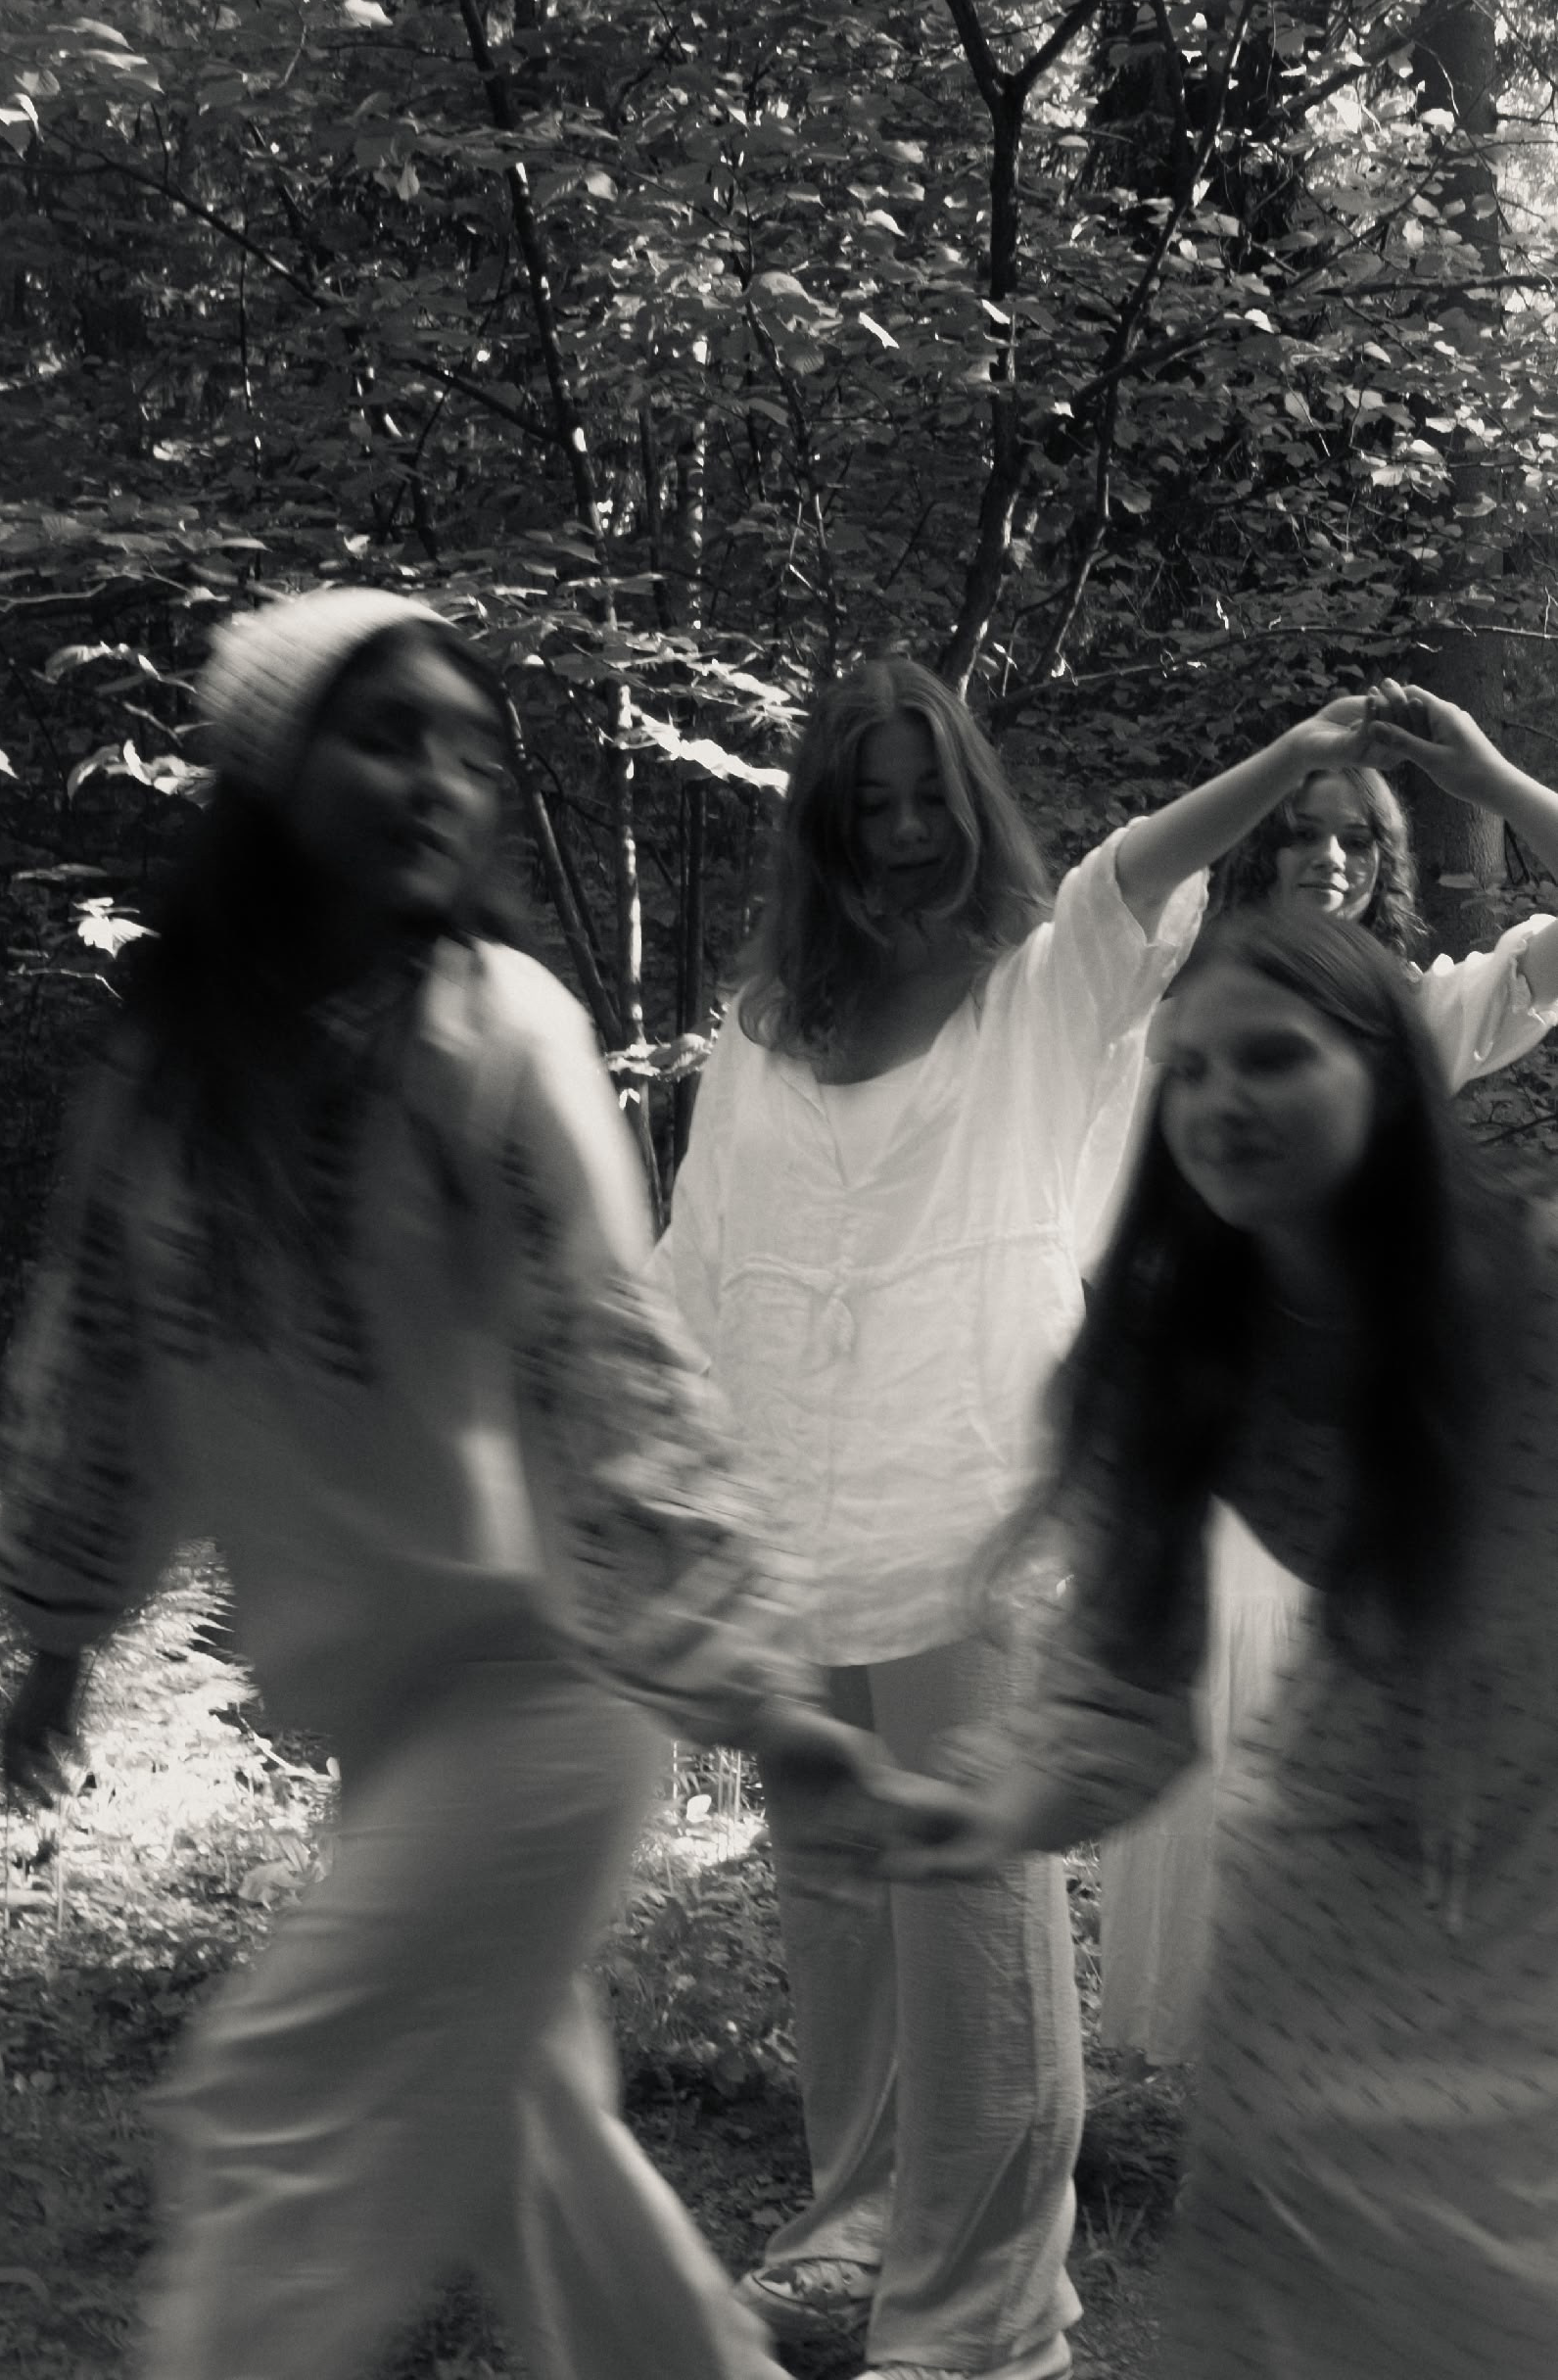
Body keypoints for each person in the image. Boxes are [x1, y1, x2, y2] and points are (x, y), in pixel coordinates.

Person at [0, 587, 947, 2380]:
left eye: (466, 751)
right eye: (385, 739)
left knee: (273, 2102)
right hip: (387, 1719)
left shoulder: (495, 1030)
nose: (440, 781)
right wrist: (59, 1635)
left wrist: (760, 1700)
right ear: (271, 776)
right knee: (533, 2149)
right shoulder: (167, 1082)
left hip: (548, 1695)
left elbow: (609, 1369)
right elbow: (99, 1359)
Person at [652, 653, 1391, 2380]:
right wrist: (671, 1484)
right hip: (794, 1521)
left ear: (968, 804)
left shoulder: (1035, 991)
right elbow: (695, 1254)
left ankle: (981, 2315)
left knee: (974, 1906)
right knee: (836, 1889)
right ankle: (851, 2237)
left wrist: (1287, 748)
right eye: (874, 804)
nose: (908, 830)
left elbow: (1127, 875)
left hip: (974, 1519)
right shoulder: (761, 1030)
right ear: (826, 826)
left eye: (930, 798)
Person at [894, 911, 1558, 2379]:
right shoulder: (1174, 1346)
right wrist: (978, 1809)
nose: (1218, 1101)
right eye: (1186, 1069)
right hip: (1326, 1883)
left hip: (1538, 1879)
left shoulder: (1533, 1278)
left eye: (1271, 1058)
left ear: (1389, 1073)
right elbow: (1115, 1691)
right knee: (1293, 2292)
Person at [1096, 680, 1558, 2065]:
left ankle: (1344, 2044)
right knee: (1210, 1733)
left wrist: (1488, 780)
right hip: (1212, 1424)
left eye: (1359, 837)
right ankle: (1214, 2050)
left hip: (1373, 1441)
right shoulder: (1167, 1018)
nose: (1332, 858)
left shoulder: (1419, 1019)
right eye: (1303, 832)